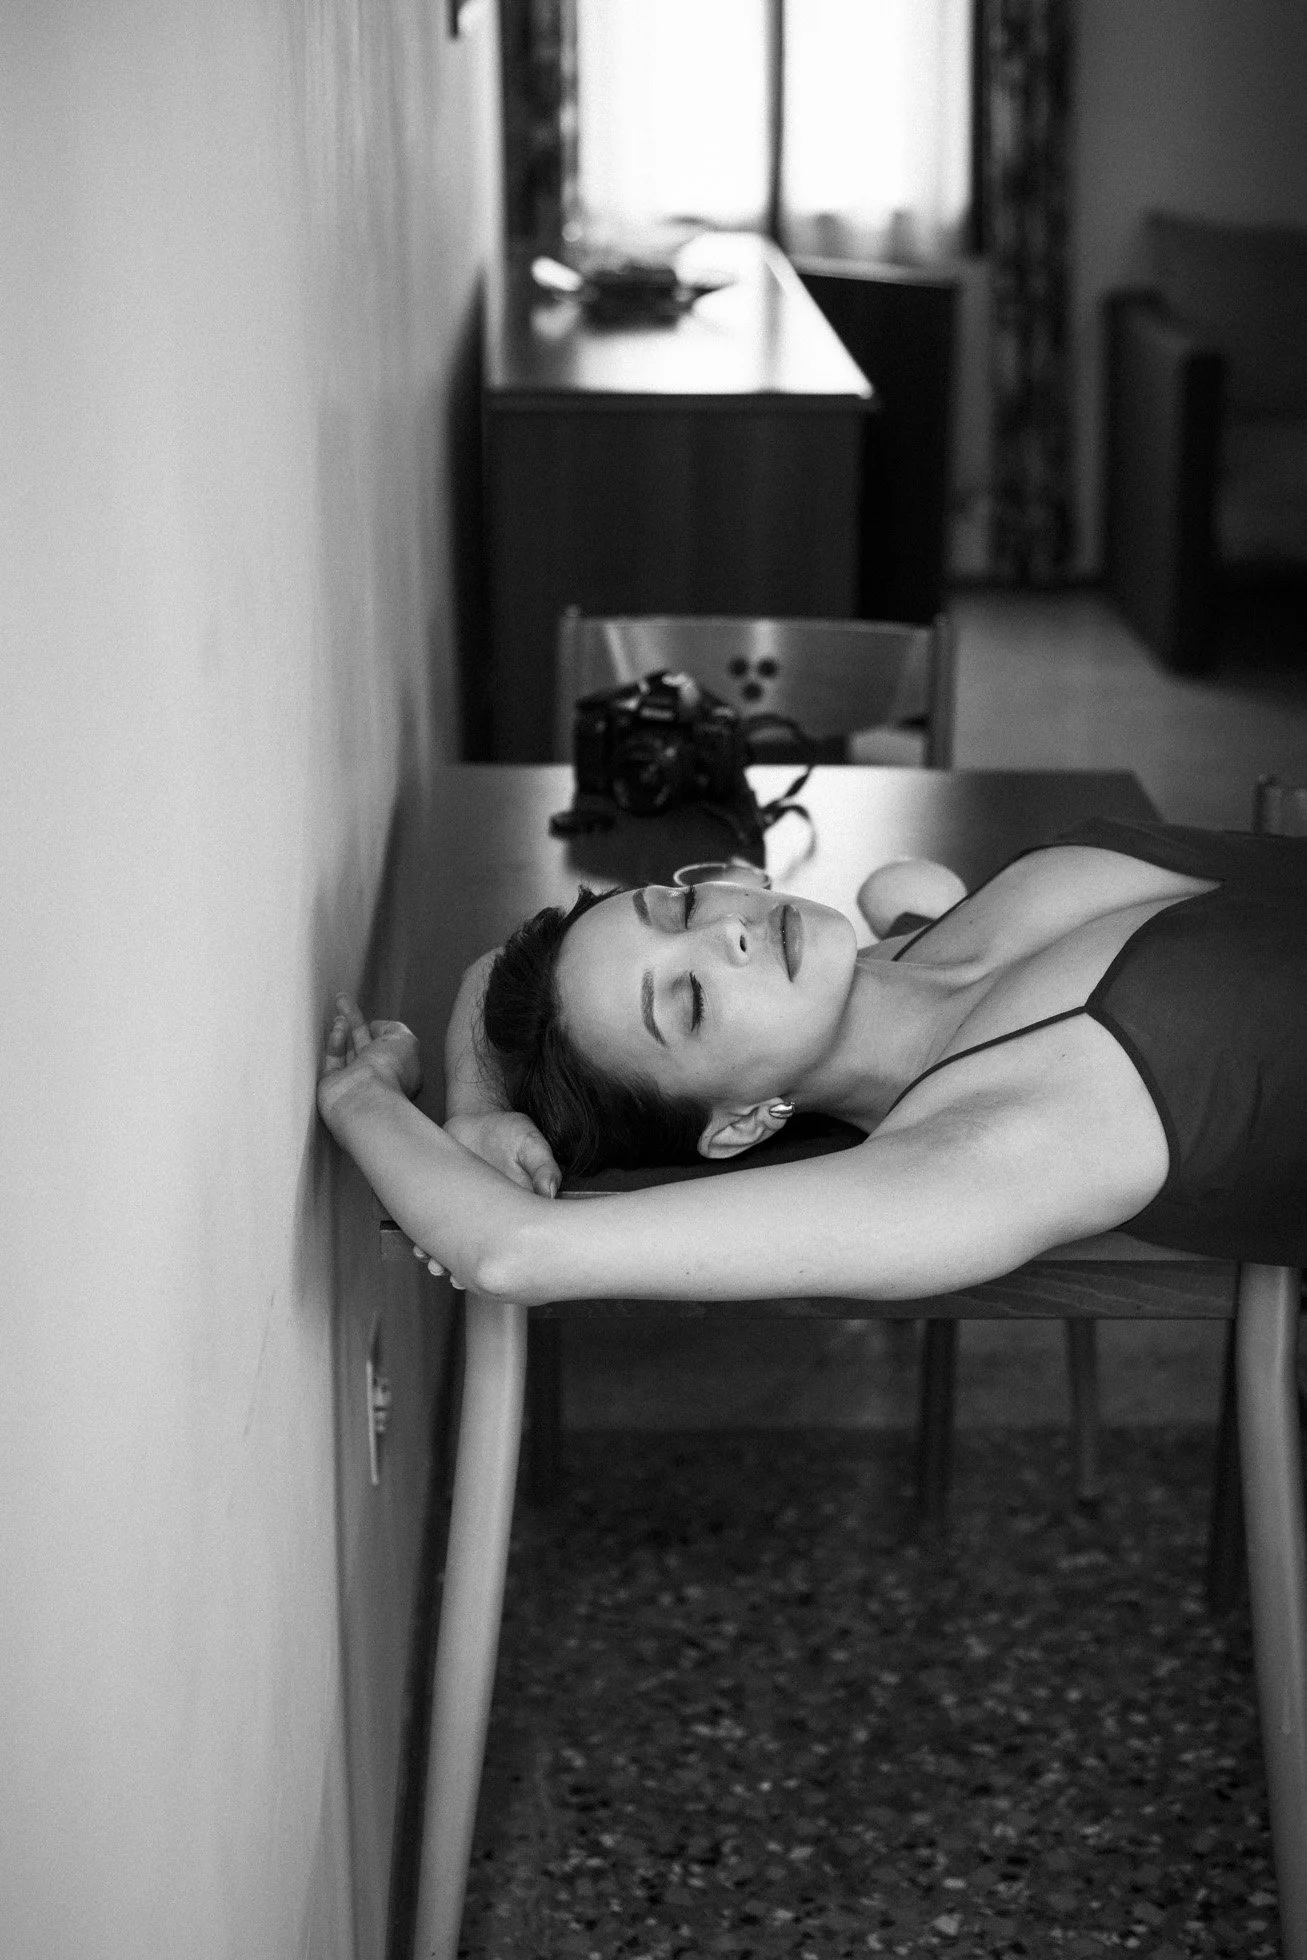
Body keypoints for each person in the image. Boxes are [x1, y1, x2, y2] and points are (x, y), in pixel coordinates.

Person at [316, 819, 1307, 1305]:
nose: (725, 933)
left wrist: (480, 1103)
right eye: (689, 1000)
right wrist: (364, 1096)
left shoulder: (915, 949)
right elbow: (511, 1253)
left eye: (676, 905)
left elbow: (501, 963)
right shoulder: (989, 1149)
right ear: (744, 1120)